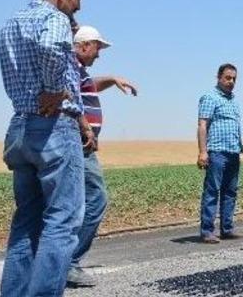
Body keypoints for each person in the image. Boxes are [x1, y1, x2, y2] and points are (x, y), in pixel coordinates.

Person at [0, 0, 92, 297]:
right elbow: (51, 48)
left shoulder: (12, 22)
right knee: (62, 223)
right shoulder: (54, 18)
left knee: (26, 223)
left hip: (19, 127)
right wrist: (55, 89)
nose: (79, 6)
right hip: (52, 128)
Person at [66, 25, 138, 288]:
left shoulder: (78, 71)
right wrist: (84, 128)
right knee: (95, 199)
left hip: (85, 147)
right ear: (84, 45)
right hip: (79, 146)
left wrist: (111, 79)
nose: (99, 54)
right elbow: (69, 98)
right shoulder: (70, 67)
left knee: (78, 202)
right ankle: (69, 262)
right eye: (98, 48)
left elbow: (87, 87)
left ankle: (58, 261)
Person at [196, 63, 243, 243]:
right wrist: (202, 152)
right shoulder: (210, 97)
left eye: (234, 79)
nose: (231, 81)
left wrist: (240, 143)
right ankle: (207, 231)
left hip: (233, 151)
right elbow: (202, 125)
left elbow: (233, 125)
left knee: (230, 192)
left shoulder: (234, 101)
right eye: (228, 78)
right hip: (216, 151)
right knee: (212, 191)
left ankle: (227, 228)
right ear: (219, 77)